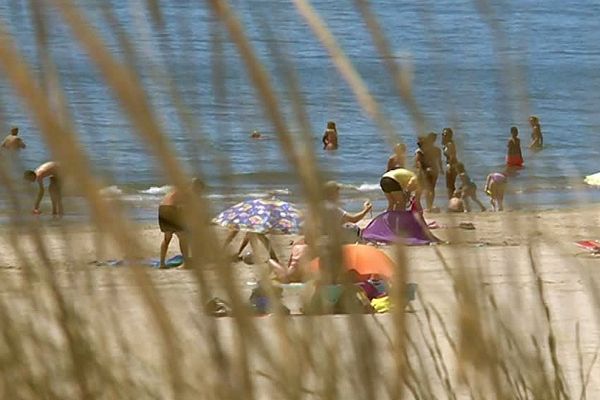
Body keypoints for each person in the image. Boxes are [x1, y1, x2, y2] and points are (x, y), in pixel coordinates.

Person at [158, 178, 204, 269]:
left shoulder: (179, 189)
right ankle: (185, 263)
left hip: (162, 208)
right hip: (171, 209)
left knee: (167, 238)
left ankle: (162, 264)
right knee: (183, 237)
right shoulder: (189, 191)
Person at [415, 135, 439, 212]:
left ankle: (422, 207)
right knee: (432, 189)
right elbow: (438, 161)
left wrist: (419, 171)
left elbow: (418, 163)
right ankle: (430, 206)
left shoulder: (419, 151)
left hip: (424, 171)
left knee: (422, 189)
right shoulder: (435, 150)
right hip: (434, 170)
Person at [442, 128, 458, 199]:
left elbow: (452, 155)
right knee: (450, 185)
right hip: (450, 164)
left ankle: (452, 201)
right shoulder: (447, 144)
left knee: (450, 185)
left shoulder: (450, 144)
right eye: (443, 134)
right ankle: (452, 200)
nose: (444, 135)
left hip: (452, 165)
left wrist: (450, 165)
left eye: (445, 134)